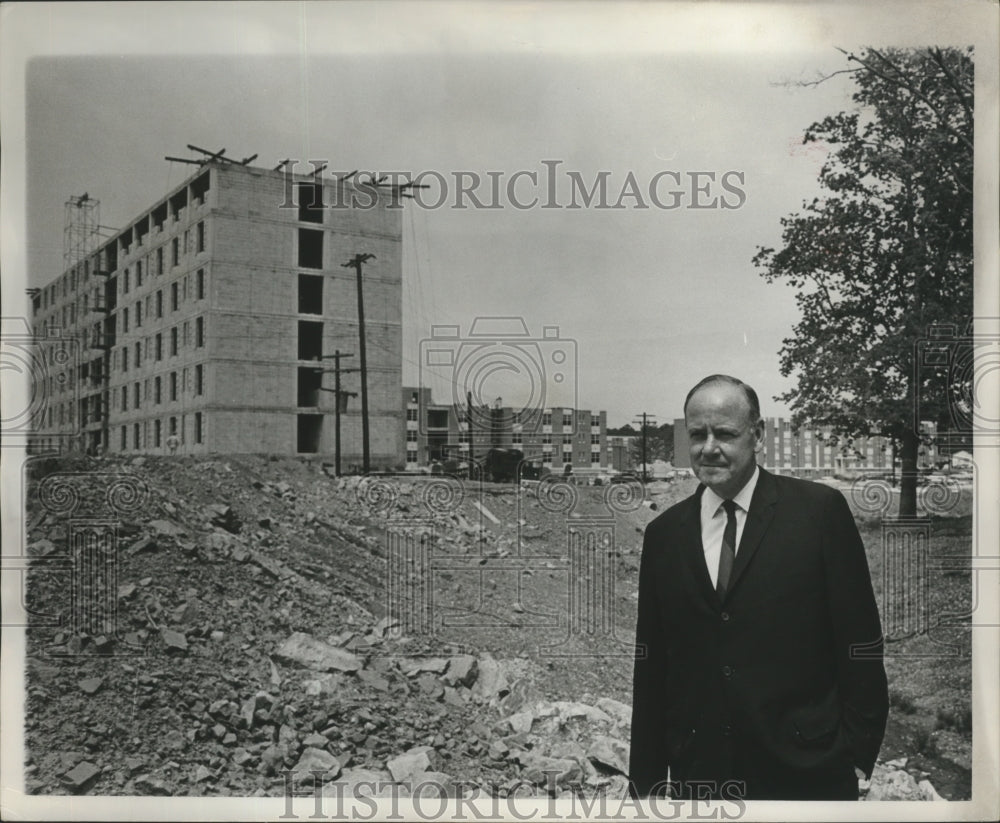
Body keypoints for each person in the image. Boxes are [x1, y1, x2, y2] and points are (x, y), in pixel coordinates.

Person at [629, 374, 888, 801]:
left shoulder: (818, 514)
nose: (708, 447)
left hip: (808, 777)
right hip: (703, 781)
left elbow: (860, 641)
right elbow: (652, 668)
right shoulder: (664, 535)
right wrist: (647, 787)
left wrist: (857, 754)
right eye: (697, 434)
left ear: (758, 434)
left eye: (725, 433)